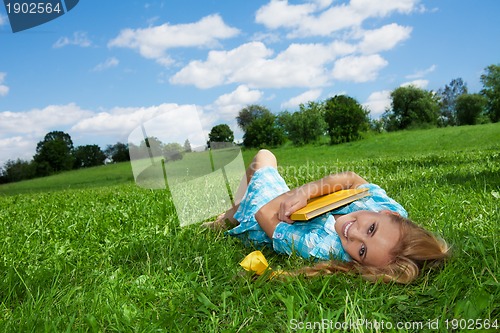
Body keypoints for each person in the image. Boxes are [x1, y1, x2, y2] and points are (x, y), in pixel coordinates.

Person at [203, 149, 449, 283]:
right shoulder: (391, 209)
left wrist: (297, 196)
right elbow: (352, 178)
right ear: (388, 213)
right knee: (263, 160)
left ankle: (230, 218)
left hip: (260, 219)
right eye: (371, 229)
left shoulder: (323, 246)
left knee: (263, 159)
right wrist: (305, 192)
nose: (352, 233)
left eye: (361, 251)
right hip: (288, 202)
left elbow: (264, 213)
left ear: (360, 263)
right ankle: (228, 215)